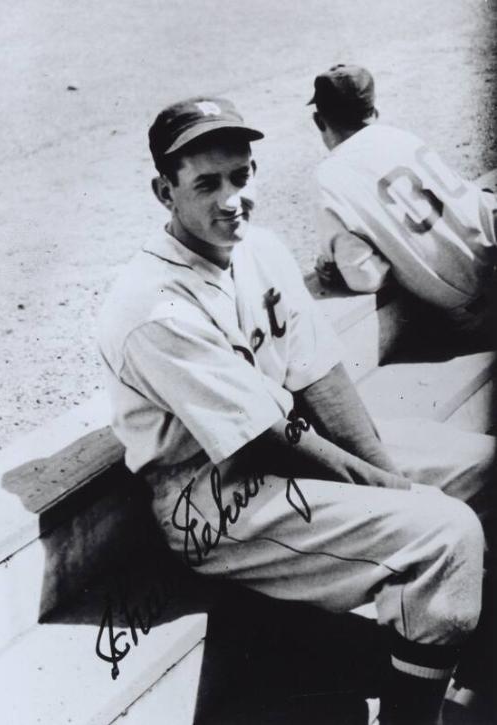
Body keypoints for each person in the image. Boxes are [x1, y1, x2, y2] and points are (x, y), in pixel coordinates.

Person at [97, 96, 495, 724]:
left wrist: (385, 471)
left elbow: (322, 376)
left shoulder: (259, 248)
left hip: (284, 450)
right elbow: (259, 440)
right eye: (207, 183)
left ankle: (467, 678)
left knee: (485, 468)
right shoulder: (153, 305)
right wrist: (396, 492)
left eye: (241, 175)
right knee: (444, 534)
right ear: (163, 191)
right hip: (212, 500)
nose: (232, 198)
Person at [309, 64, 497, 335]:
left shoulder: (328, 177)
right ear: (374, 113)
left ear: (319, 121)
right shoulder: (402, 137)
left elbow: (365, 278)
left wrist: (338, 266)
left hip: (478, 315)